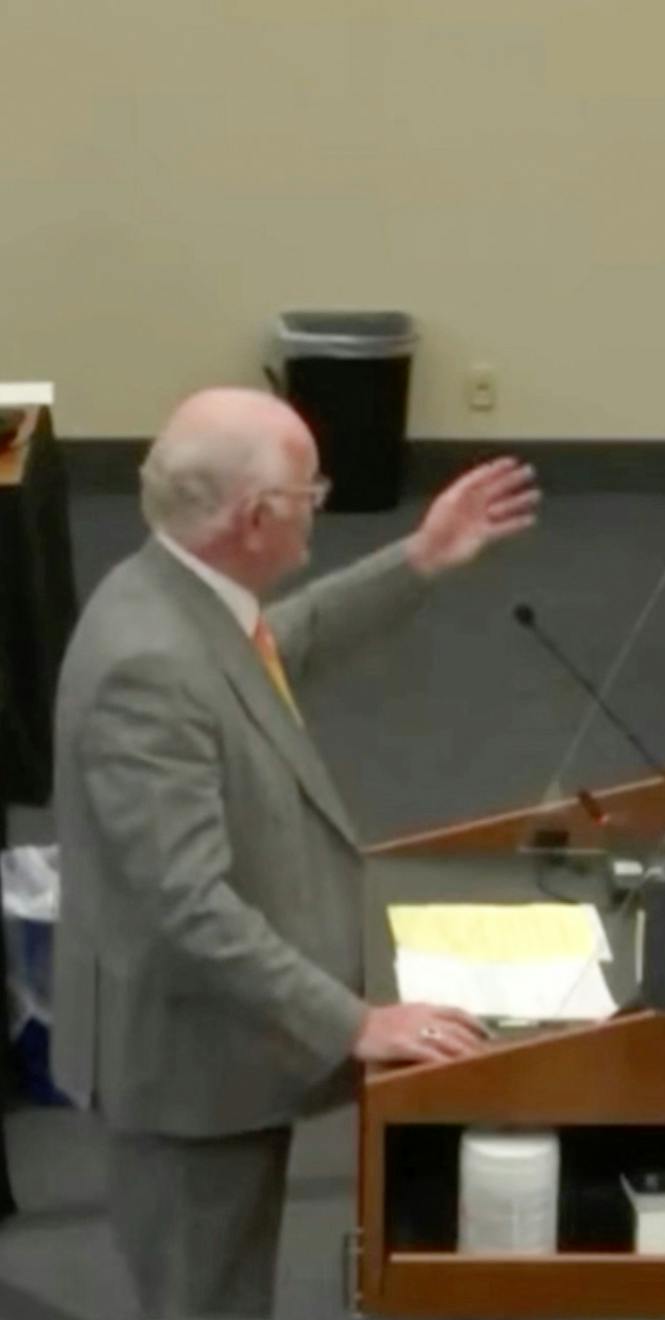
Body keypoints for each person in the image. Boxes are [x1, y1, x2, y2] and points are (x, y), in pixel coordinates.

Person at [51, 388, 539, 1318]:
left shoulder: (177, 591)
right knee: (208, 1302)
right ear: (256, 517)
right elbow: (189, 906)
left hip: (224, 1047)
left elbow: (278, 647)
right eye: (311, 490)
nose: (320, 501)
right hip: (188, 1075)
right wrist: (356, 1023)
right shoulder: (145, 666)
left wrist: (421, 560)